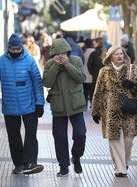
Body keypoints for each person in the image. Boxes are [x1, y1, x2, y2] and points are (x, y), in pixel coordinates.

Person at [0, 33, 45, 175]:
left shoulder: (30, 61)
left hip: (30, 105)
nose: (15, 52)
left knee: (31, 133)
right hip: (10, 106)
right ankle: (19, 164)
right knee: (13, 136)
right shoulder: (1, 61)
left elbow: (38, 83)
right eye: (12, 50)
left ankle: (30, 162)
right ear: (8, 49)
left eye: (17, 49)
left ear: (21, 48)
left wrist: (40, 103)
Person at [91, 46, 137, 177]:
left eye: (121, 54)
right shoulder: (104, 71)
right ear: (110, 57)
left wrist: (132, 85)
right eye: (116, 54)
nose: (120, 56)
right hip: (111, 110)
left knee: (128, 140)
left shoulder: (132, 68)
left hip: (129, 110)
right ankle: (120, 168)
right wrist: (95, 110)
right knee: (114, 139)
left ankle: (124, 162)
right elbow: (98, 91)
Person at [43, 38, 87, 177]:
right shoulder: (49, 64)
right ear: (53, 54)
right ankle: (63, 165)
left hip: (76, 103)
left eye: (64, 53)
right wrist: (56, 66)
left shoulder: (76, 61)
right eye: (58, 54)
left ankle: (76, 156)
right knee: (60, 136)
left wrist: (67, 65)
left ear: (68, 52)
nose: (61, 56)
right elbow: (47, 82)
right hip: (58, 105)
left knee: (80, 134)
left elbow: (81, 78)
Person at [82, 38, 95, 109]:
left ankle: (85, 105)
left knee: (85, 91)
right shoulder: (94, 51)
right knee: (92, 91)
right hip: (91, 73)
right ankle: (92, 105)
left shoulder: (83, 51)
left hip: (84, 73)